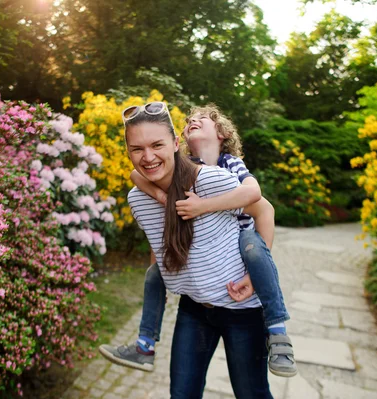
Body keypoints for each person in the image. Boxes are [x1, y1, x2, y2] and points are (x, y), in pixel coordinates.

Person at [99, 104, 296, 378]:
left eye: (201, 120)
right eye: (189, 120)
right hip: (197, 297)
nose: (193, 121)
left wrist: (204, 206)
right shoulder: (189, 167)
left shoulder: (228, 165)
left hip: (241, 237)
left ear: (222, 133)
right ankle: (145, 344)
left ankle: (277, 330)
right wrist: (164, 199)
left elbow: (258, 200)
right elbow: (136, 177)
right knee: (154, 274)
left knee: (253, 249)